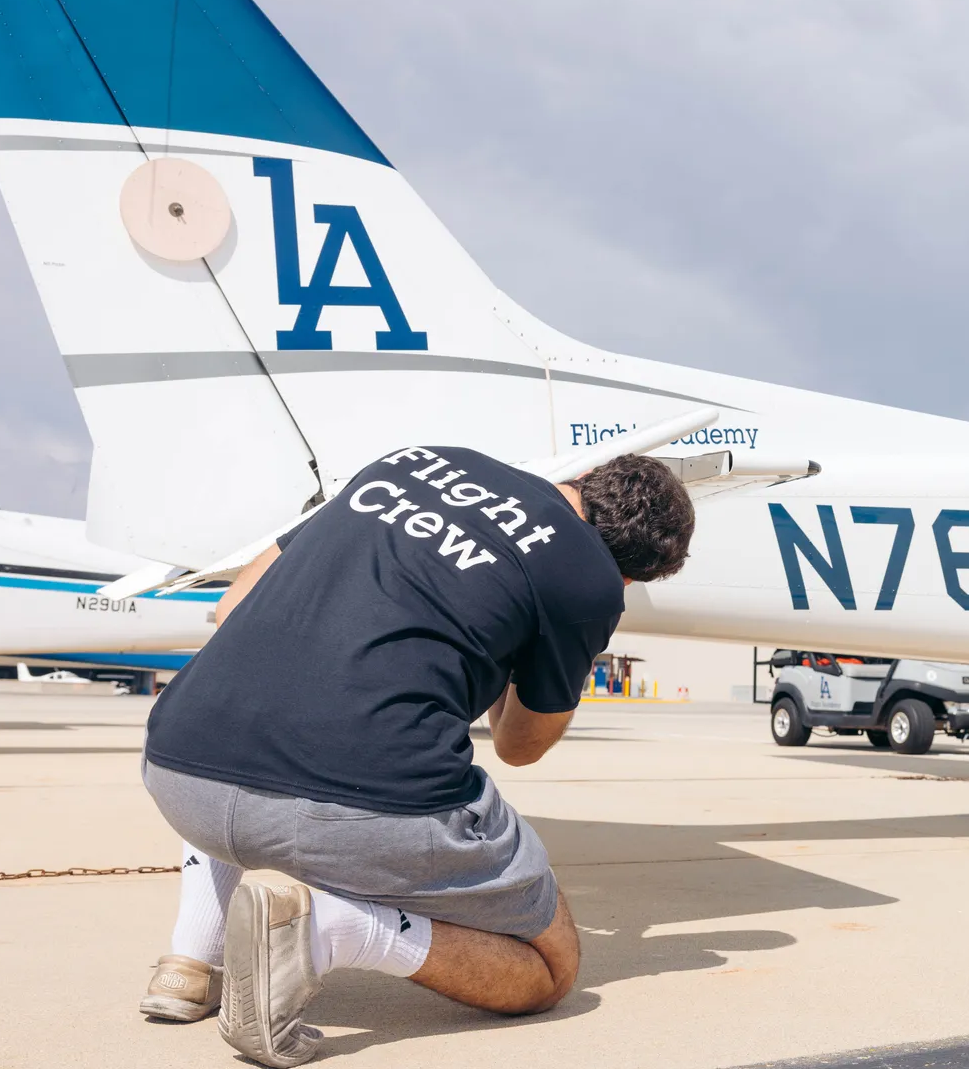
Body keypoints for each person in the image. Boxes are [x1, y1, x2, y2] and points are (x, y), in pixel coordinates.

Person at [136, 447, 695, 1067]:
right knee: (550, 969)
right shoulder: (588, 577)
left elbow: (232, 605)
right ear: (629, 574)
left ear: (585, 479)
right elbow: (519, 746)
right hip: (360, 805)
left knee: (252, 711)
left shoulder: (412, 462)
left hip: (177, 768)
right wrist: (521, 649)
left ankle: (190, 959)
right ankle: (326, 931)